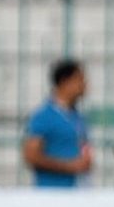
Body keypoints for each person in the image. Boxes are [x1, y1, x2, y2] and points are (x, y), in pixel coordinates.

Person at [22, 59, 93, 188]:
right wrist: (70, 166)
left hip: (76, 190)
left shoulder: (77, 116)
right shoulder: (44, 116)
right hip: (53, 193)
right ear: (65, 82)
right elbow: (31, 156)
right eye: (80, 79)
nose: (84, 85)